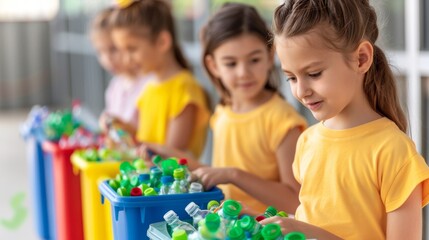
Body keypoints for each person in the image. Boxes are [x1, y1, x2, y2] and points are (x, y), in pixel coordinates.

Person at [261, 0, 429, 239]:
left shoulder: (393, 152)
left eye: (314, 74)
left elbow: (313, 231)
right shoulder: (307, 142)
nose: (301, 91)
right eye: (291, 78)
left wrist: (306, 230)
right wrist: (263, 222)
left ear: (361, 58)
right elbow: (314, 223)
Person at [147, 3, 307, 215]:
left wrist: (234, 175)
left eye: (254, 59)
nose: (243, 72)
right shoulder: (223, 112)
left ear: (270, 55)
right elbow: (220, 176)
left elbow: (294, 201)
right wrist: (173, 156)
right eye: (231, 63)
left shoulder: (283, 121)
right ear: (214, 66)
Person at [109, 0, 210, 166]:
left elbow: (167, 156)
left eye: (132, 49)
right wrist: (120, 127)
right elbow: (146, 140)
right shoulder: (149, 88)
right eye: (122, 50)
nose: (126, 60)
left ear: (162, 42)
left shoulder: (184, 89)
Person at [90, 7, 149, 137]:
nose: (107, 59)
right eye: (100, 52)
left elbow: (151, 139)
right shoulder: (114, 87)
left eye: (113, 49)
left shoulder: (149, 85)